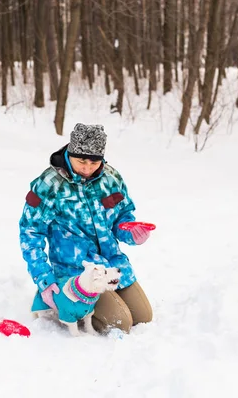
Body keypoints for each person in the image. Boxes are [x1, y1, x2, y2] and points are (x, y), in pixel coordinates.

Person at [19, 123, 153, 333]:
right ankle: (66, 308)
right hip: (76, 274)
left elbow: (122, 216)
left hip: (112, 265)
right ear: (70, 153)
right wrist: (44, 278)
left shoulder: (110, 178)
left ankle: (109, 300)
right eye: (81, 161)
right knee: (122, 323)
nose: (88, 168)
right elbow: (30, 232)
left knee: (143, 317)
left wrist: (132, 233)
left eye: (94, 162)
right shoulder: (48, 184)